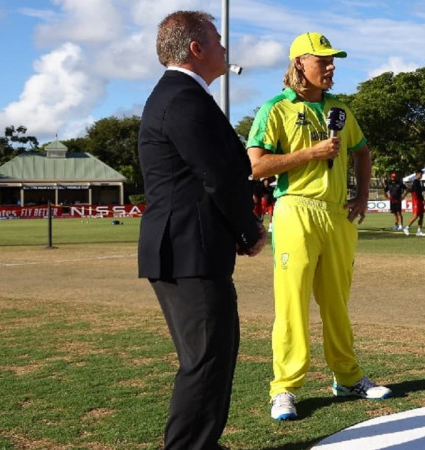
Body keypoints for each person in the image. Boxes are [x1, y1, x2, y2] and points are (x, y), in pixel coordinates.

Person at [137, 10, 267, 448]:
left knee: (209, 357)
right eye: (218, 40)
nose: (225, 49)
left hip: (187, 248)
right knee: (207, 360)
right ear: (196, 48)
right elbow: (216, 176)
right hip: (188, 250)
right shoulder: (183, 97)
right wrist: (250, 230)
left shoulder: (181, 95)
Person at [246, 31, 392, 421]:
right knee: (292, 304)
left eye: (332, 61)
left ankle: (347, 378)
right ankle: (285, 388)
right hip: (295, 209)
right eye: (322, 60)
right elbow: (256, 165)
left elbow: (362, 151)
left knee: (336, 304)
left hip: (337, 216)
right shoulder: (275, 108)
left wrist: (361, 196)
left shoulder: (340, 108)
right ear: (298, 64)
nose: (330, 67)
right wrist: (311, 153)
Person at [403, 169, 425, 236]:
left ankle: (419, 231)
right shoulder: (415, 182)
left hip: (419, 200)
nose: (421, 176)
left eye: (422, 175)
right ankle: (406, 227)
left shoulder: (418, 182)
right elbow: (417, 192)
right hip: (416, 200)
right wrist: (422, 199)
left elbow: (419, 191)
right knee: (415, 216)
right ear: (417, 174)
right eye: (420, 174)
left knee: (421, 215)